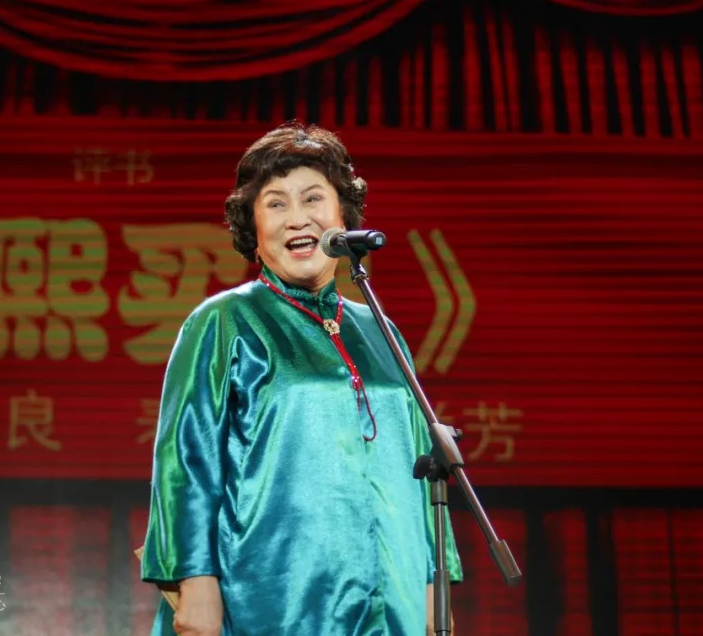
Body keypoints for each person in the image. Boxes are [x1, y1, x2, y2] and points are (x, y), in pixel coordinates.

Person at [140, 122, 463, 636]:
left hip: (394, 589)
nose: (297, 218)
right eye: (275, 204)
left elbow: (422, 466)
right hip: (271, 594)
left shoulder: (380, 329)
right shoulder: (224, 322)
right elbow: (186, 463)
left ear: (343, 216)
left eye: (313, 199)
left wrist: (433, 584)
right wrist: (195, 581)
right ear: (252, 226)